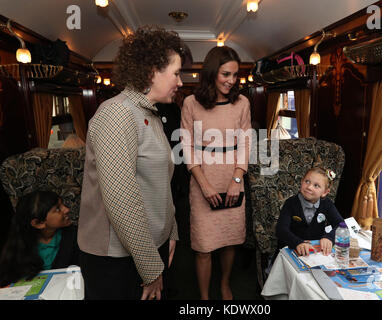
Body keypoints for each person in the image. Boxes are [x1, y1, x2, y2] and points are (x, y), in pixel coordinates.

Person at [77, 25, 189, 300]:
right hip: (118, 258)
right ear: (151, 70)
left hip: (150, 247)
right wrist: (151, 268)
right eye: (176, 73)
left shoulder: (148, 113)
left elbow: (161, 182)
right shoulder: (117, 114)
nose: (181, 82)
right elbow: (121, 201)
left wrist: (170, 231)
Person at [180, 46, 252, 300]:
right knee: (203, 246)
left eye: (235, 75)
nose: (231, 81)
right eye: (225, 74)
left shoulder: (242, 103)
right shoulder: (190, 103)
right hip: (202, 179)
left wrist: (236, 179)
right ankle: (204, 297)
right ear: (212, 73)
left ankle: (224, 284)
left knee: (229, 240)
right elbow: (187, 147)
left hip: (233, 178)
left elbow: (245, 143)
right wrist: (204, 185)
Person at [0, 190, 78, 287]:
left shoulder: (74, 237)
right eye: (58, 209)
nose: (66, 209)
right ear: (39, 223)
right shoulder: (21, 247)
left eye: (62, 204)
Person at [276, 167, 344, 257]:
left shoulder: (327, 204)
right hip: (291, 249)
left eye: (316, 185)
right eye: (307, 181)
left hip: (315, 252)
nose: (309, 187)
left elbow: (341, 225)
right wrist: (297, 243)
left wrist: (329, 238)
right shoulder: (291, 203)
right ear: (301, 181)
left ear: (324, 192)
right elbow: (281, 230)